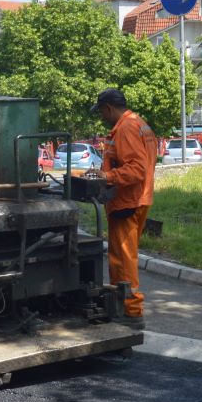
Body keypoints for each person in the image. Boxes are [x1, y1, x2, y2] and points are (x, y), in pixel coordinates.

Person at [88, 88, 156, 328]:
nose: (102, 118)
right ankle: (123, 305)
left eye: (102, 113)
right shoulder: (140, 124)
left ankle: (130, 310)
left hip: (126, 201)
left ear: (108, 108)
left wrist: (106, 176)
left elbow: (137, 169)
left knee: (123, 259)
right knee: (125, 256)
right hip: (138, 198)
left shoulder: (125, 129)